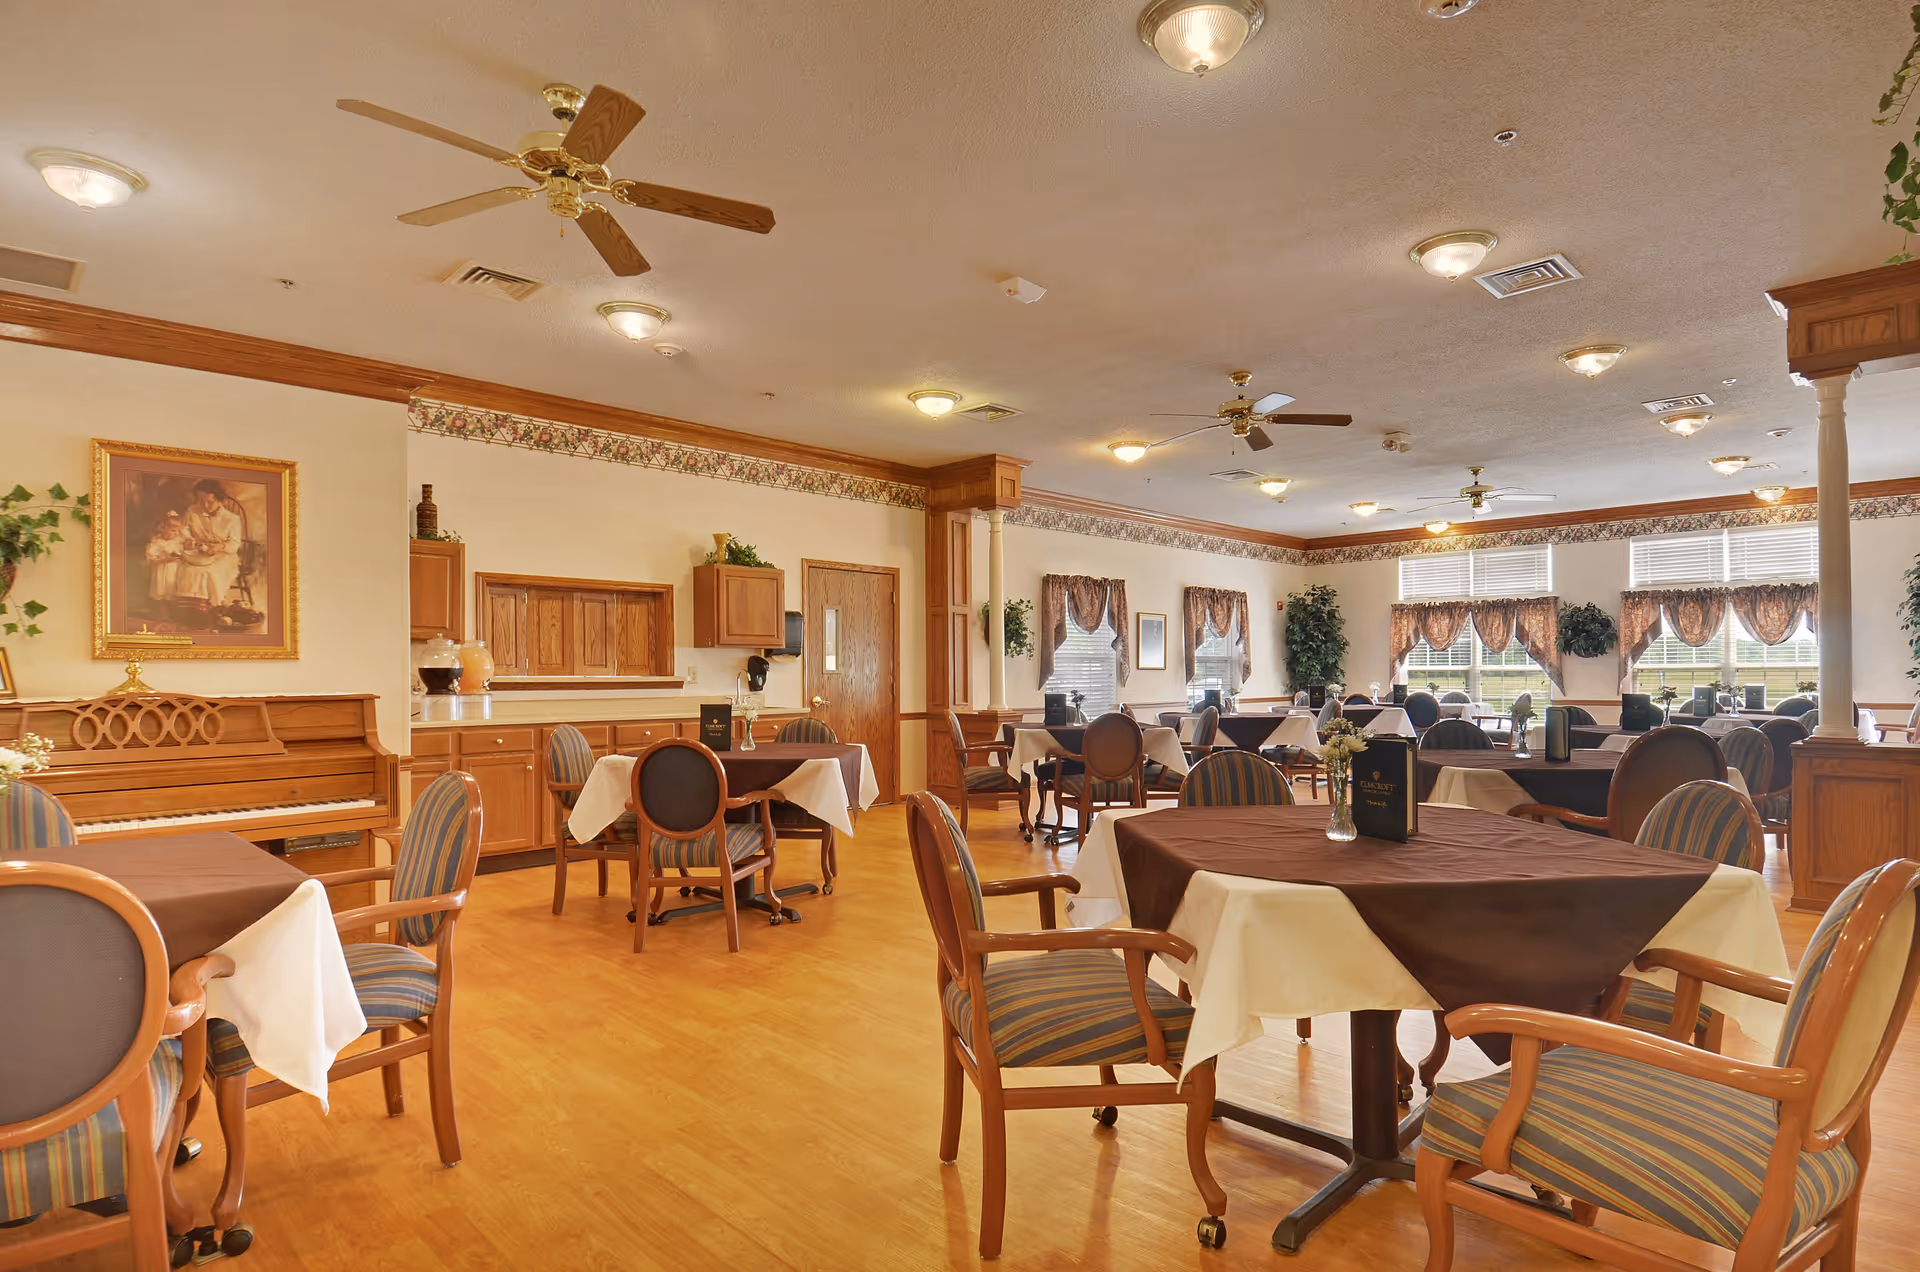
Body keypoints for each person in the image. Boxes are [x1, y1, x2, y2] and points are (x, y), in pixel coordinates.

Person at [169, 480, 243, 625]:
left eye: (209, 502)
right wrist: (189, 539)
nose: (204, 506)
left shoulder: (232, 519)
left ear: (219, 500)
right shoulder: (192, 510)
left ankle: (212, 610)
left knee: (209, 571)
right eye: (200, 501)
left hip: (223, 554)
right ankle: (190, 612)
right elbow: (184, 528)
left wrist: (219, 547)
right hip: (198, 551)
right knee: (186, 569)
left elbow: (234, 544)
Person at [142, 509, 186, 613]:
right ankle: (163, 614)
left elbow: (182, 553)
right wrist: (165, 560)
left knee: (172, 591)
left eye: (177, 531)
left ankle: (174, 613)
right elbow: (152, 558)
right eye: (172, 530)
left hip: (174, 571)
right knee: (161, 592)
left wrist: (181, 557)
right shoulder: (157, 542)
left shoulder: (176, 542)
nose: (175, 534)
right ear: (162, 529)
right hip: (161, 570)